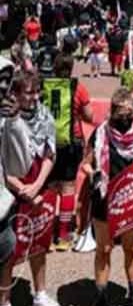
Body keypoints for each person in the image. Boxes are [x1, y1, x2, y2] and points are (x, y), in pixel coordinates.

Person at [84, 88, 133, 306]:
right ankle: (101, 296)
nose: (124, 119)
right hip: (104, 198)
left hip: (130, 200)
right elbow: (86, 162)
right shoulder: (100, 133)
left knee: (131, 248)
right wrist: (92, 173)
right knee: (103, 249)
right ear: (112, 112)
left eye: (128, 114)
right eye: (119, 115)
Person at [0, 70, 60, 306]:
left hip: (37, 186)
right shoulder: (5, 118)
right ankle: (4, 302)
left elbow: (49, 153)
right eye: (29, 92)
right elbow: (3, 162)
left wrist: (36, 186)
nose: (35, 97)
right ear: (14, 93)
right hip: (10, 191)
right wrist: (20, 187)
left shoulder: (45, 114)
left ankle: (40, 295)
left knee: (39, 243)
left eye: (37, 91)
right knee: (8, 252)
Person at [46, 54, 93, 251]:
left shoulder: (45, 86)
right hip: (72, 142)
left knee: (48, 188)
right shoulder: (77, 88)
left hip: (48, 142)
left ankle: (46, 235)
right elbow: (89, 116)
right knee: (68, 187)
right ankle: (63, 235)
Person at [0, 58, 33, 273]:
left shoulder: (7, 119)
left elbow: (20, 167)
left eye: (6, 80)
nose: (3, 86)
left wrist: (13, 123)